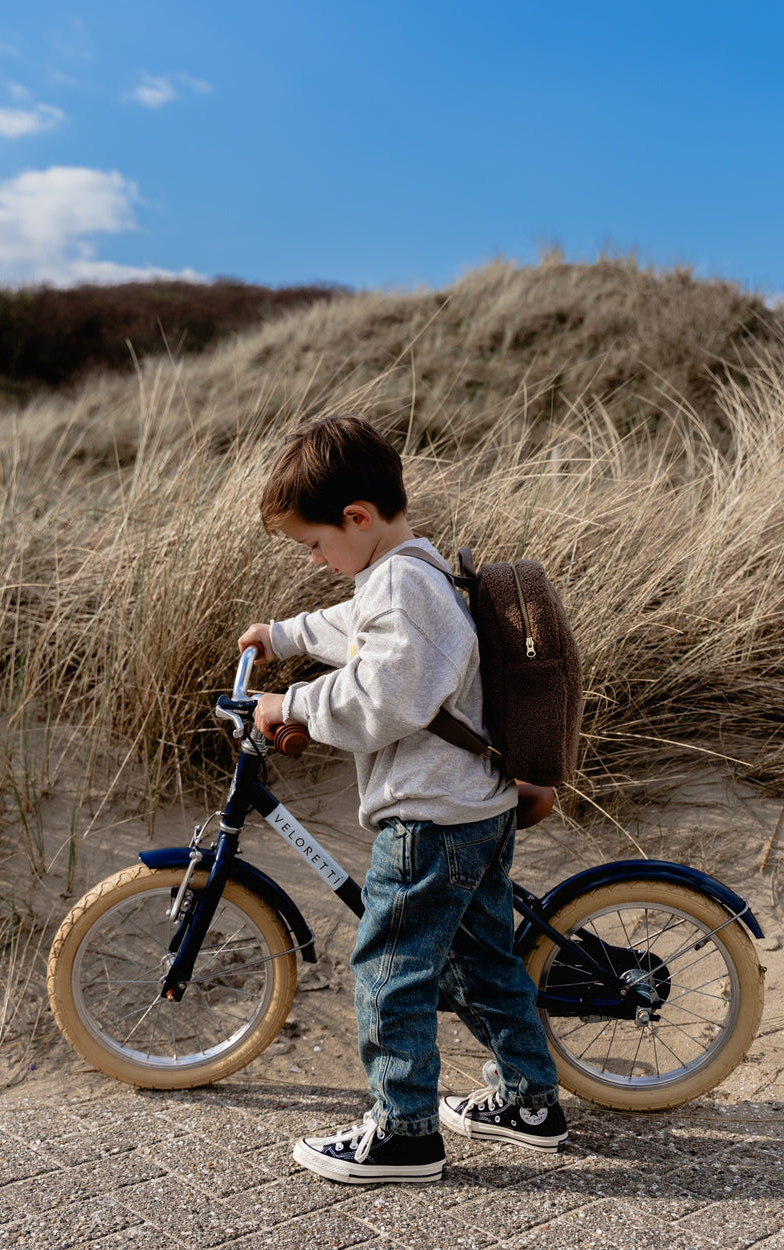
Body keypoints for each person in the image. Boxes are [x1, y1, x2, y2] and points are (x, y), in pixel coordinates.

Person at [238, 414, 566, 1185]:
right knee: (481, 964)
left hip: (429, 820)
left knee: (389, 970)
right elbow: (356, 628)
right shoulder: (409, 570)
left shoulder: (404, 585)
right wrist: (284, 636)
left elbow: (384, 697)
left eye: (315, 544)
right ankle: (530, 1103)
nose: (317, 560)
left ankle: (403, 1135)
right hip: (469, 808)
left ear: (357, 517)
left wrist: (292, 704)